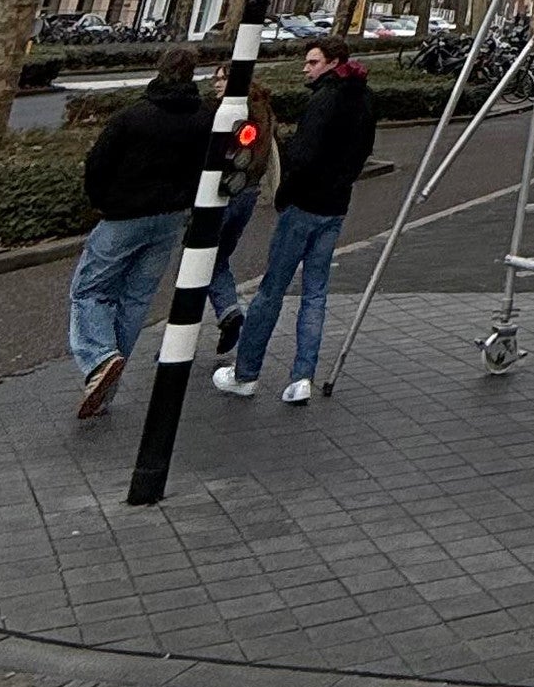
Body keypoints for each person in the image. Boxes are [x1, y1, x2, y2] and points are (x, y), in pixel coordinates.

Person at [214, 39, 375, 406]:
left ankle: (246, 373)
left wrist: (285, 194)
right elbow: (364, 149)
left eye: (313, 62)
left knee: (272, 290)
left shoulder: (323, 100)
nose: (306, 68)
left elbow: (303, 153)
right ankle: (302, 376)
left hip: (303, 207)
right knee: (315, 294)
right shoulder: (365, 98)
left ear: (333, 63)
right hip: (335, 208)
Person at [67, 44, 208, 417]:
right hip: (170, 218)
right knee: (135, 300)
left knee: (90, 291)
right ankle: (105, 389)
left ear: (158, 70)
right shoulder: (205, 118)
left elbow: (98, 165)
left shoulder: (132, 118)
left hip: (124, 216)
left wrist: (103, 201)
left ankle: (100, 358)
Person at [209, 80, 277, 358]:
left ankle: (180, 336)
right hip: (248, 194)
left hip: (223, 194)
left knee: (198, 261)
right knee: (218, 258)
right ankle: (230, 312)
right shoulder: (265, 113)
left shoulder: (232, 115)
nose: (216, 84)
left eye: (223, 78)